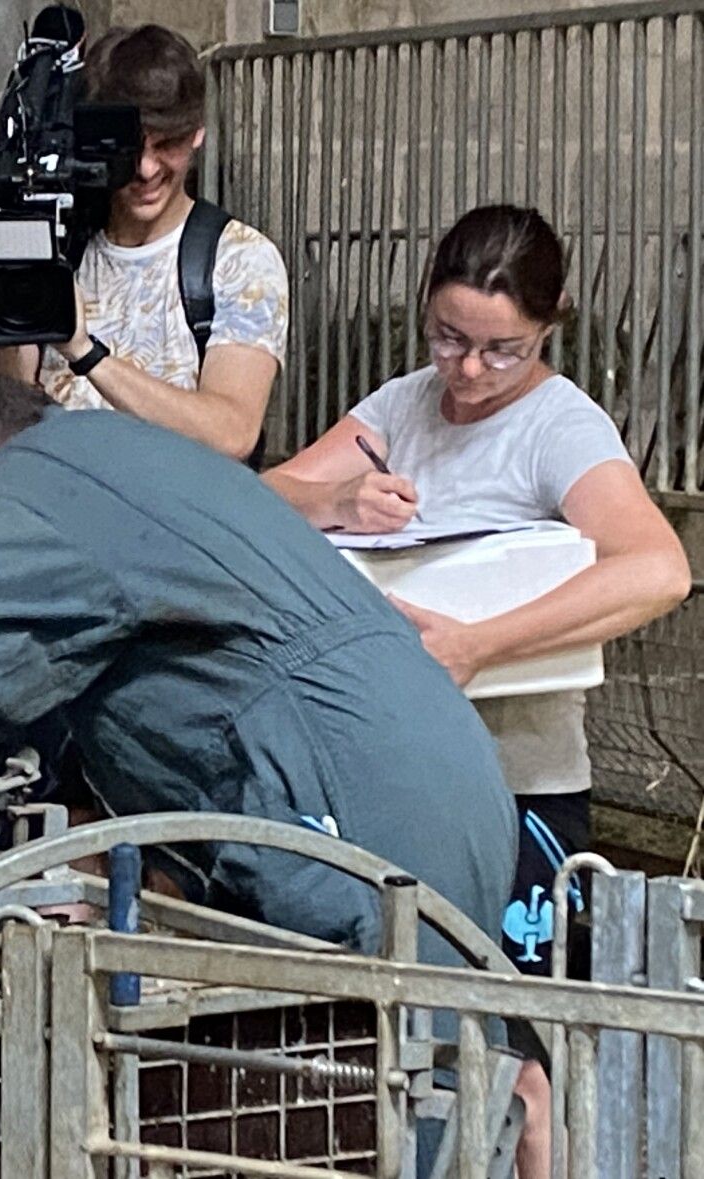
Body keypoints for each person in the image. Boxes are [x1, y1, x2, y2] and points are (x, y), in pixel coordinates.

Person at [0, 372, 516, 1129]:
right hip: (448, 768)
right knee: (421, 1102)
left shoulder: (16, 487)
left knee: (358, 1116)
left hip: (342, 789)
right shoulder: (144, 466)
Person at [262, 204, 692, 1179]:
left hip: (516, 782)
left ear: (550, 325)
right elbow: (262, 496)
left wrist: (478, 646)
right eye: (448, 337)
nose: (467, 370)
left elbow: (657, 568)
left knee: (520, 1054)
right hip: (393, 782)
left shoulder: (559, 426)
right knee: (401, 1030)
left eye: (502, 349)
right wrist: (336, 500)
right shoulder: (402, 405)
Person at [0, 24, 289, 462]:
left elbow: (232, 433)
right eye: (126, 150)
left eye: (168, 145)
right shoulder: (63, 245)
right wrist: (0, 297)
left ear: (198, 132)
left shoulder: (238, 258)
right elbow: (1, 416)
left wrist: (86, 354)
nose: (146, 169)